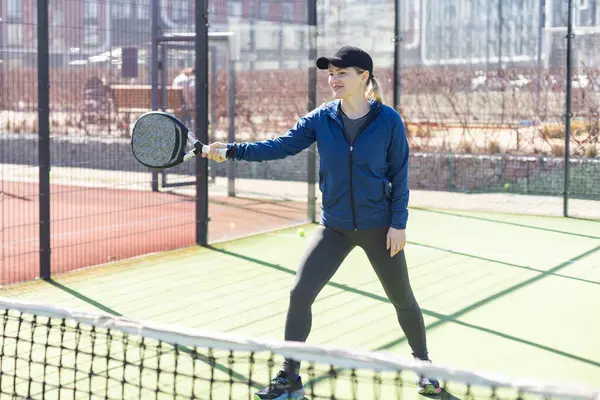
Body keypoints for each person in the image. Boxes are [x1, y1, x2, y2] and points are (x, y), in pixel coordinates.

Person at [203, 46, 441, 399]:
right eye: (330, 74)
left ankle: (424, 368)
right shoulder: (321, 118)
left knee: (402, 299)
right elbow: (280, 146)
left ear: (364, 77)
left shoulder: (389, 120)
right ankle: (290, 374)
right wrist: (234, 149)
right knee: (300, 293)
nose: (333, 79)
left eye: (341, 73)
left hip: (380, 227)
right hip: (335, 227)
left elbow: (400, 174)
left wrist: (398, 223)